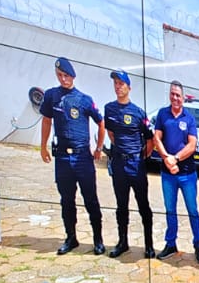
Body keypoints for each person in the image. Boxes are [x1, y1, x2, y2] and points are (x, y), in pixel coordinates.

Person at [38, 56, 105, 256]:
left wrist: (99, 148)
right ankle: (71, 238)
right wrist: (43, 146)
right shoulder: (51, 96)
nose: (63, 79)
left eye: (66, 75)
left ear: (73, 76)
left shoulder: (84, 100)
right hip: (62, 158)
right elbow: (46, 121)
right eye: (60, 75)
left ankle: (98, 240)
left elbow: (100, 122)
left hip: (82, 157)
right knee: (67, 200)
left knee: (90, 199)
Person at [101, 69, 155, 259]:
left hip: (136, 164)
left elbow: (150, 139)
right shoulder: (109, 109)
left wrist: (140, 157)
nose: (118, 87)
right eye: (115, 84)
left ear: (129, 87)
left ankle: (149, 245)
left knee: (143, 206)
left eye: (121, 84)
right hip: (119, 164)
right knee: (121, 205)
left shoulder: (139, 113)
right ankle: (122, 242)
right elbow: (111, 134)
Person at [152, 80, 199, 262]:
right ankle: (170, 244)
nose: (175, 98)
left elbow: (192, 145)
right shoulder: (162, 114)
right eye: (172, 94)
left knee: (192, 210)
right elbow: (157, 138)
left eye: (178, 95)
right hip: (168, 174)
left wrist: (175, 159)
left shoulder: (189, 118)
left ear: (183, 98)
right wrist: (167, 158)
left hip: (187, 174)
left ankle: (198, 245)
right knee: (170, 210)